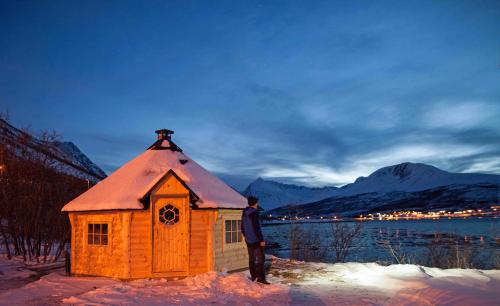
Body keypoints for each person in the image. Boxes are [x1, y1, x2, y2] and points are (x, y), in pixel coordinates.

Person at [241, 196, 270, 285]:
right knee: (261, 259)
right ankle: (261, 279)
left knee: (252, 259)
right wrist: (261, 239)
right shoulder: (254, 213)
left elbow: (242, 226)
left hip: (248, 240)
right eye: (257, 203)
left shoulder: (244, 212)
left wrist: (246, 236)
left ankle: (254, 276)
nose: (257, 204)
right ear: (254, 203)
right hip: (256, 240)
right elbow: (257, 228)